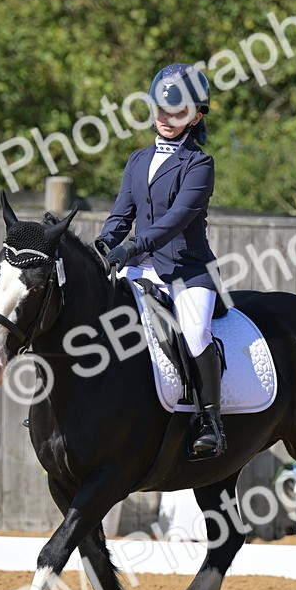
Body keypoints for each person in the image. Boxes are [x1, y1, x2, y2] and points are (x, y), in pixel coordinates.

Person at [96, 63, 226, 459]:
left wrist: (131, 247)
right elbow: (122, 214)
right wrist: (104, 243)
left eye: (178, 111)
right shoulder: (137, 160)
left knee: (194, 333)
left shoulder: (199, 165)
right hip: (138, 268)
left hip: (187, 272)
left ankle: (209, 421)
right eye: (161, 110)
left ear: (196, 116)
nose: (167, 119)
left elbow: (176, 220)